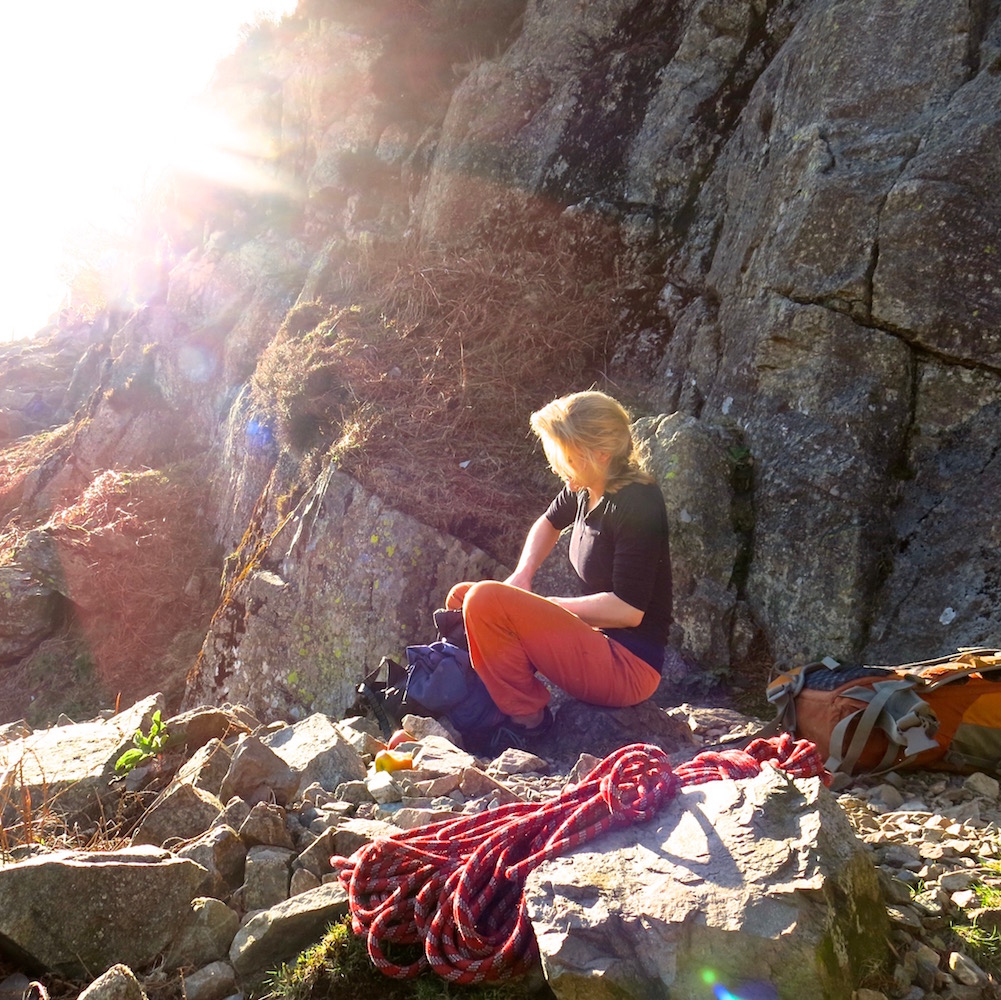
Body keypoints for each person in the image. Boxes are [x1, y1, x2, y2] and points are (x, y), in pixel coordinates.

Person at [445, 390, 672, 751]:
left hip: (629, 666)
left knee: (485, 600)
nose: (556, 466)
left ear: (600, 454)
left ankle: (527, 722)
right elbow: (548, 523)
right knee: (465, 596)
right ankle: (491, 699)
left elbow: (628, 611)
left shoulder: (638, 503)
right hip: (596, 641)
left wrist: (548, 605)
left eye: (565, 455)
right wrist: (523, 574)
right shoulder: (587, 488)